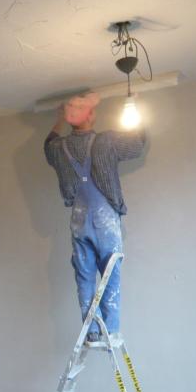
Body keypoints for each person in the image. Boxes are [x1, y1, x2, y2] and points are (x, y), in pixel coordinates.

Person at [44, 93, 145, 343]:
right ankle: (110, 330)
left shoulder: (58, 148)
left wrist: (59, 120)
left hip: (79, 220)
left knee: (85, 277)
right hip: (104, 220)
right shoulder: (106, 141)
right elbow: (136, 145)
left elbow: (47, 145)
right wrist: (137, 114)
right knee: (110, 274)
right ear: (89, 116)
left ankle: (91, 331)